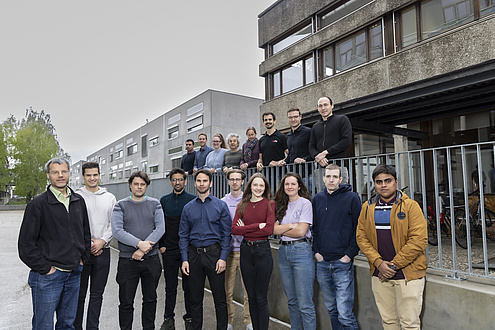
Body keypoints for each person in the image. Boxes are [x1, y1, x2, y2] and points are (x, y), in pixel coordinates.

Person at [18, 157, 91, 329]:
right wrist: (46, 269)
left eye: (64, 171)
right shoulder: (37, 205)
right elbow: (26, 245)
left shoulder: (78, 201)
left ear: (69, 174)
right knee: (44, 325)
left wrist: (82, 259)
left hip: (74, 274)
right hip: (48, 276)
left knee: (67, 324)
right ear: (48, 176)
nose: (60, 175)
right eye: (55, 172)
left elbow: (85, 233)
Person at [356, 164, 427, 330]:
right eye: (379, 182)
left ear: (396, 182)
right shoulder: (367, 208)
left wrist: (393, 265)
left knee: (409, 324)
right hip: (380, 275)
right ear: (375, 184)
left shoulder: (411, 206)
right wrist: (379, 263)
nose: (383, 185)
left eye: (388, 181)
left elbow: (418, 240)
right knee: (389, 323)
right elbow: (361, 237)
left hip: (408, 275)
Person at [111, 171, 165, 330]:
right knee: (126, 302)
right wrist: (139, 244)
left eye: (142, 184)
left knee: (150, 300)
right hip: (127, 262)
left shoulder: (155, 204)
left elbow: (160, 228)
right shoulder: (120, 205)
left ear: (147, 186)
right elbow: (117, 231)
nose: (139, 187)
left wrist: (142, 250)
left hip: (151, 260)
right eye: (136, 184)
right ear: (130, 185)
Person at [179, 169, 231, 330]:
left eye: (205, 181)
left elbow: (226, 235)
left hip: (215, 255)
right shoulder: (188, 208)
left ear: (211, 183)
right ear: (195, 183)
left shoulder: (220, 205)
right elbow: (183, 235)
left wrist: (223, 258)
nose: (202, 184)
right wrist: (185, 259)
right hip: (193, 256)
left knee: (219, 299)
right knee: (195, 299)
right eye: (199, 181)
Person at [312, 164, 360, 330]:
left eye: (334, 177)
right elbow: (315, 228)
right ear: (323, 178)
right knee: (332, 310)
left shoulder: (352, 198)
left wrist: (349, 254)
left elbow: (358, 229)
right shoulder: (317, 199)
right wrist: (316, 251)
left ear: (341, 179)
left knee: (345, 314)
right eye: (328, 176)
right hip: (323, 262)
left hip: (342, 262)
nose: (331, 179)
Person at [75, 161, 116, 330]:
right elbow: (73, 225)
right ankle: (76, 326)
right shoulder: (76, 197)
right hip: (81, 253)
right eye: (88, 175)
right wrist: (87, 243)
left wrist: (102, 241)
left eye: (95, 175)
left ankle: (93, 327)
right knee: (79, 295)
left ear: (99, 175)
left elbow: (114, 223)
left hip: (103, 252)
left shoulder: (110, 197)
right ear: (83, 177)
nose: (92, 178)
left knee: (97, 295)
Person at [232, 173, 275, 330]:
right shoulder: (242, 205)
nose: (258, 188)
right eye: (255, 185)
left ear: (265, 188)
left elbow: (269, 230)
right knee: (251, 297)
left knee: (261, 298)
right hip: (246, 251)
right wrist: (256, 226)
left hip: (263, 251)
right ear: (250, 186)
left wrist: (245, 228)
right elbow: (235, 230)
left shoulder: (270, 204)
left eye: (261, 185)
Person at [273, 173, 316, 330]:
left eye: (293, 184)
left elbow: (301, 232)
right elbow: (273, 229)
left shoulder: (305, 204)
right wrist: (291, 225)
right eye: (286, 184)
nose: (289, 187)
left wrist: (283, 229)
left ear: (299, 186)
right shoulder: (280, 204)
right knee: (291, 300)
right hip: (283, 252)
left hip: (301, 251)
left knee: (305, 303)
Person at [158, 168, 196, 330]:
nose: (178, 182)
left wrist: (192, 247)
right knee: (170, 286)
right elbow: (159, 224)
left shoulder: (192, 200)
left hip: (187, 250)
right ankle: (168, 318)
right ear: (170, 182)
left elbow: (195, 225)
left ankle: (189, 317)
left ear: (185, 181)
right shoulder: (164, 200)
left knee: (189, 286)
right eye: (174, 179)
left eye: (180, 179)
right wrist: (161, 246)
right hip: (169, 250)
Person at [221, 169, 252, 330]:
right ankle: (229, 321)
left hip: (246, 250)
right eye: (231, 179)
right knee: (227, 290)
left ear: (242, 181)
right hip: (228, 252)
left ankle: (248, 321)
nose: (234, 182)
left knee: (249, 290)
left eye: (237, 179)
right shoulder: (222, 202)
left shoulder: (249, 201)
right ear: (228, 181)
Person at [308, 97, 352, 182]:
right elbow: (311, 146)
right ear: (318, 109)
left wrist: (325, 152)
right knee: (322, 194)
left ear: (332, 105)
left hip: (339, 167)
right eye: (320, 106)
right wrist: (318, 157)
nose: (323, 108)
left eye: (325, 105)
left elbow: (346, 141)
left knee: (340, 194)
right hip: (321, 168)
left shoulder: (342, 119)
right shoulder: (315, 126)